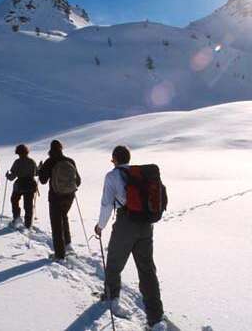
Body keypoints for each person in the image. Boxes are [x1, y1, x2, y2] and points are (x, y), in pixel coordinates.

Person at [94, 146, 166, 331]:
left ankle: (112, 297)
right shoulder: (141, 175)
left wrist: (100, 226)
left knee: (114, 263)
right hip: (145, 225)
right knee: (147, 269)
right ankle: (156, 319)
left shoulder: (112, 176)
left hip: (126, 223)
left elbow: (107, 204)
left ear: (115, 160)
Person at [38, 140, 81, 261]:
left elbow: (42, 180)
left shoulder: (50, 161)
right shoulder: (70, 161)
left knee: (56, 223)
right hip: (69, 195)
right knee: (64, 217)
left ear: (51, 150)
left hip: (55, 196)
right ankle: (68, 245)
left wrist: (41, 169)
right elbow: (78, 181)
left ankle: (59, 254)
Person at [6, 144, 38, 229]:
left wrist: (8, 176)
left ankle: (17, 217)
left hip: (20, 184)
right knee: (28, 205)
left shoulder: (17, 162)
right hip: (31, 184)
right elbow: (37, 173)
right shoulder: (32, 161)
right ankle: (28, 224)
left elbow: (12, 176)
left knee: (14, 200)